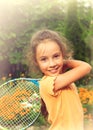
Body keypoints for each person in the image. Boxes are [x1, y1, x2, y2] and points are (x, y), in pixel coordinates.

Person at [28, 29, 92, 130]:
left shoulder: (62, 80)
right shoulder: (48, 83)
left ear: (62, 54)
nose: (52, 64)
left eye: (56, 56)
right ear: (36, 62)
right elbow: (86, 67)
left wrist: (62, 62)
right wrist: (65, 62)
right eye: (44, 59)